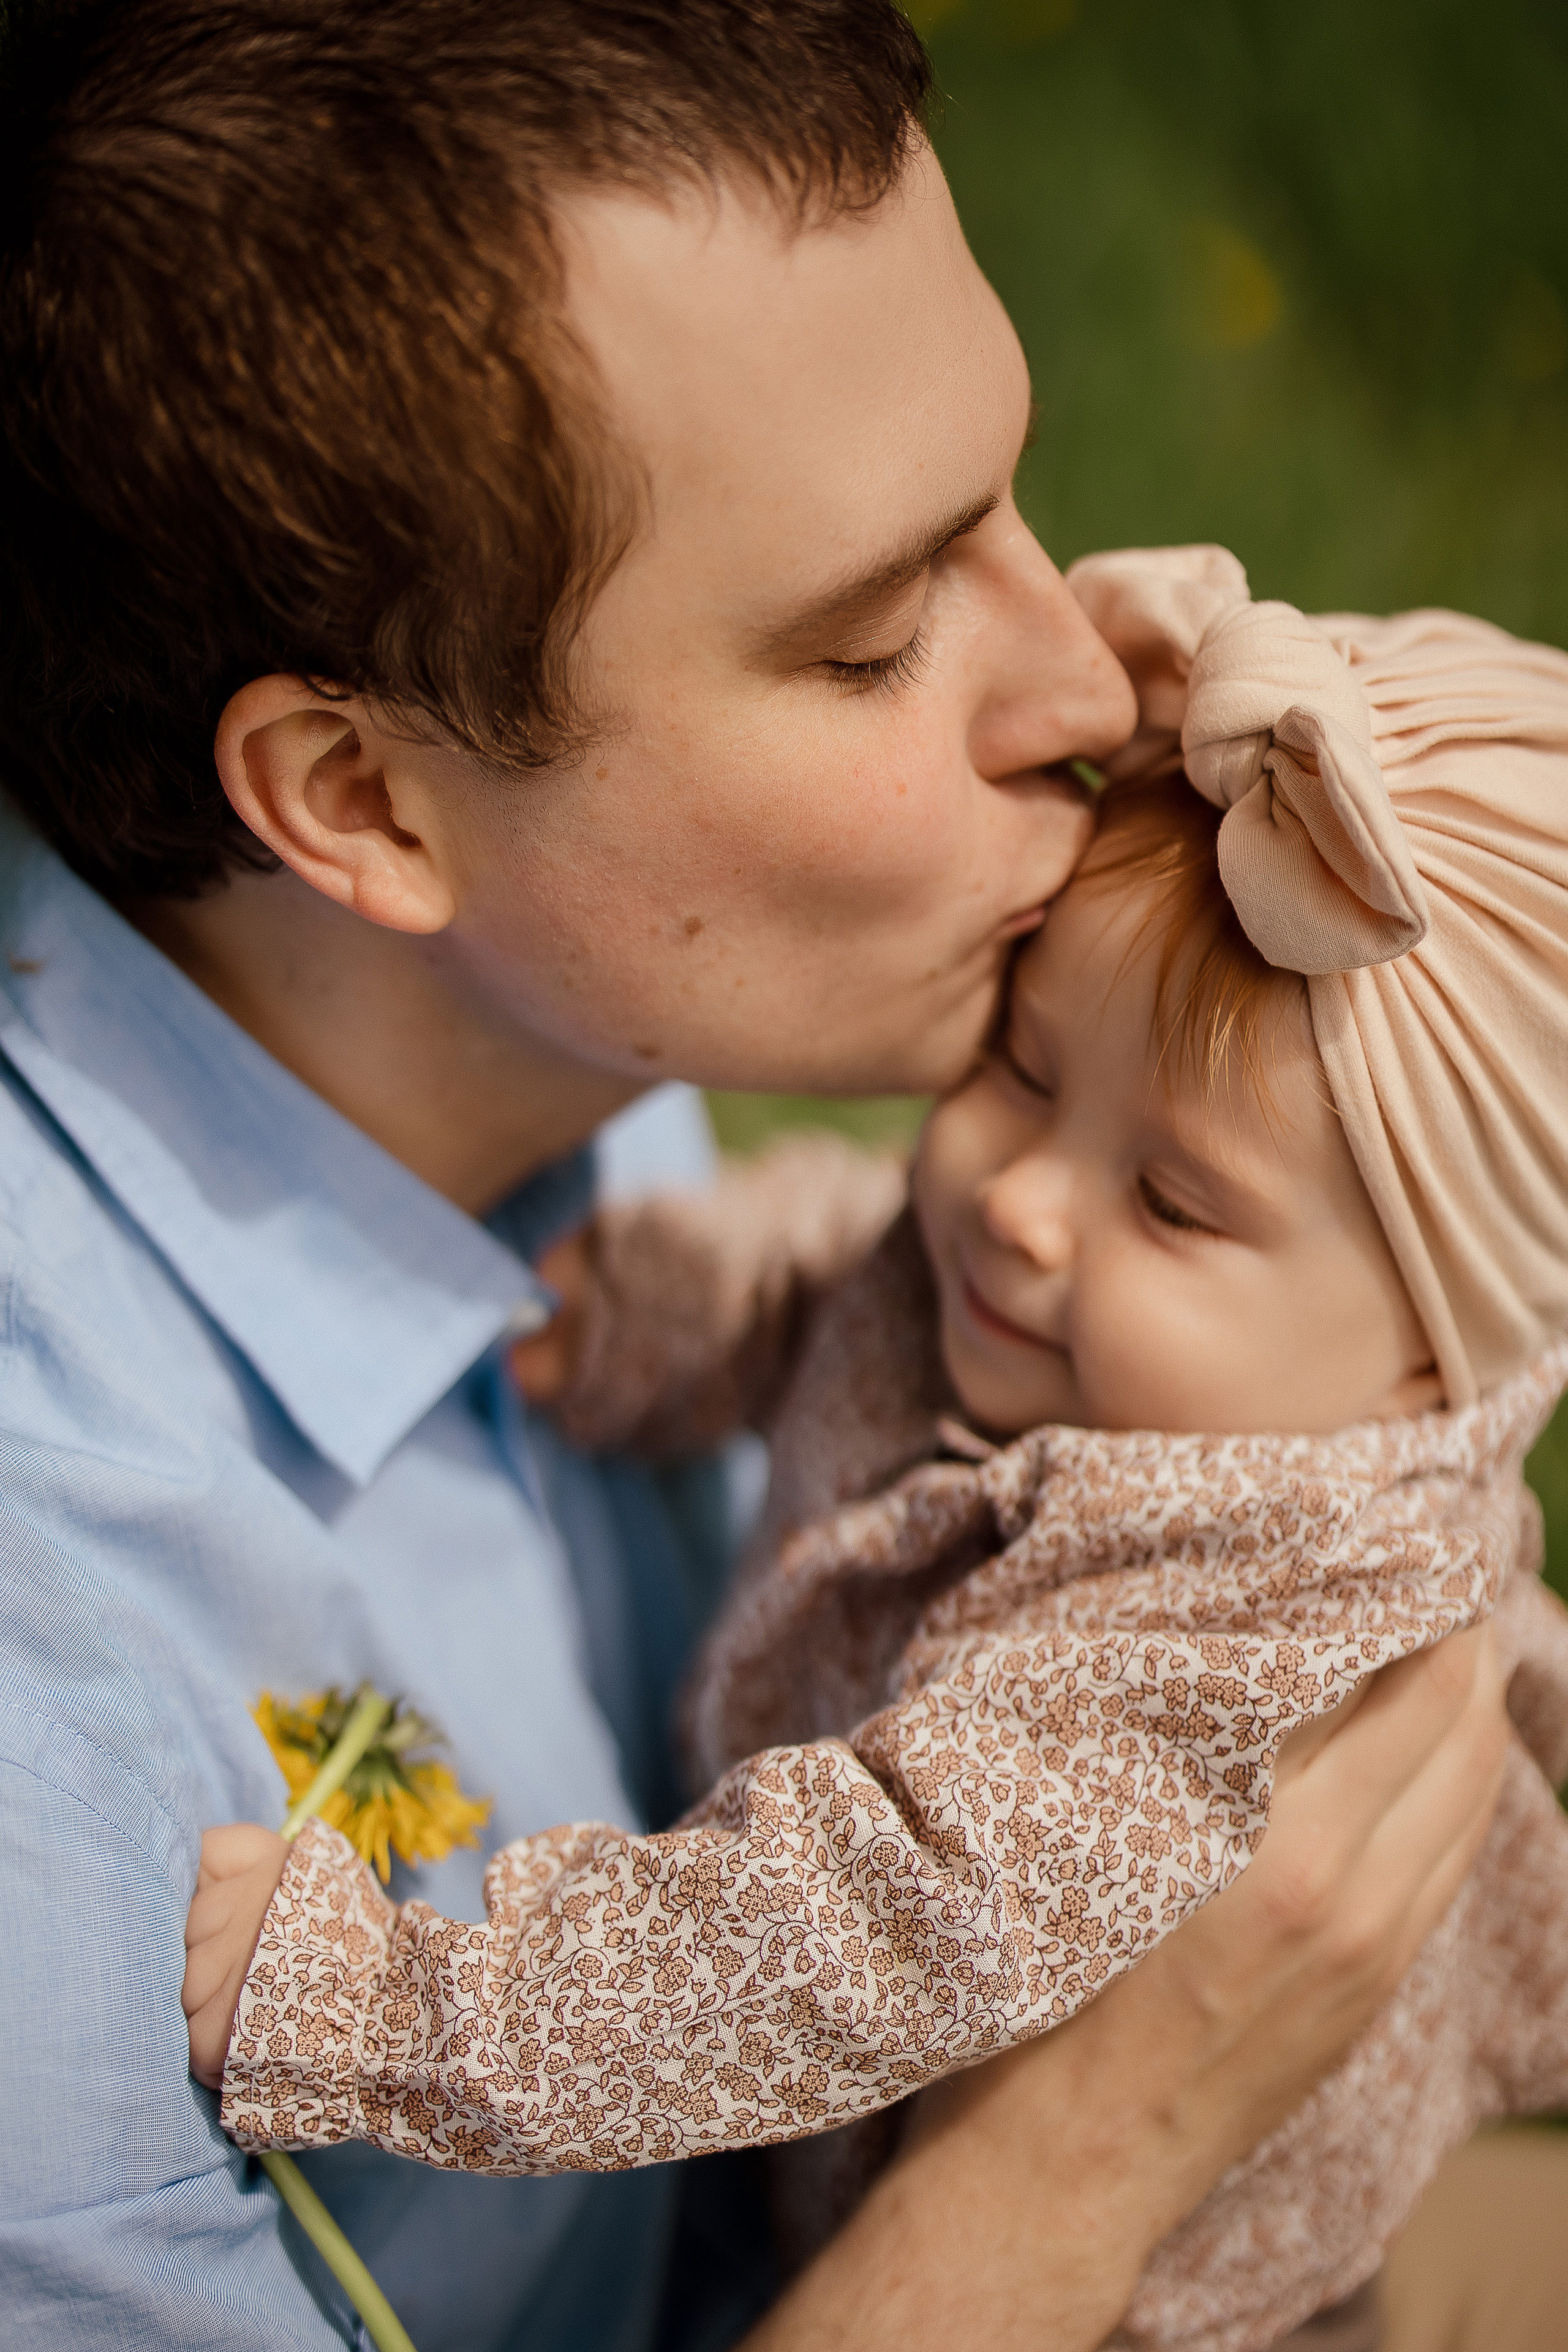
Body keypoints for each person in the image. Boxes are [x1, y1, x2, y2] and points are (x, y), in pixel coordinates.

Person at [0, 5, 1507, 2348]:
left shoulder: (562, 991)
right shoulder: (53, 1736)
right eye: (878, 633)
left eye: (1010, 501)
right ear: (366, 805)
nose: (1090, 697)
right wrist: (1093, 2152)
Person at [183, 549, 1568, 2350]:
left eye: (1170, 1201)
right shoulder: (1084, 1322)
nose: (1020, 1207)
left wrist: (392, 2008)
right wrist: (665, 1314)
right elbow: (853, 1252)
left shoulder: (1219, 1668)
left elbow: (816, 1946)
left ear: (1425, 1358)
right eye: (1022, 1065)